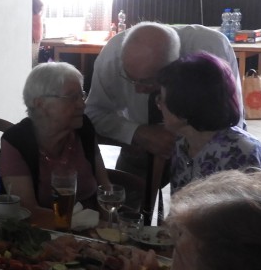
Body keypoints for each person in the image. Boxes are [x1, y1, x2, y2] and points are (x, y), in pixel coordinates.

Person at [84, 21, 242, 171]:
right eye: (130, 78)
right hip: (139, 150)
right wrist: (137, 132)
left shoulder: (212, 50)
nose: (138, 89)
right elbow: (93, 112)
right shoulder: (112, 56)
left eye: (147, 81)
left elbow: (231, 122)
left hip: (207, 152)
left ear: (173, 67)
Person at [0, 62, 111, 214]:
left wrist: (110, 223)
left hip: (94, 224)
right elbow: (28, 211)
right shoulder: (16, 141)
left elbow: (105, 189)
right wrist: (74, 223)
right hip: (43, 227)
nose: (82, 105)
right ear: (40, 104)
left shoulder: (84, 128)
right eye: (72, 97)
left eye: (81, 96)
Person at [156, 51, 261, 192]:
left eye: (161, 99)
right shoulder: (182, 142)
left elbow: (253, 206)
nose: (158, 105)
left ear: (184, 107)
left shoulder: (241, 152)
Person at [31, 0, 44, 66]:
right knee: (33, 63)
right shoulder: (38, 6)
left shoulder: (27, 5)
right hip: (36, 39)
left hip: (31, 39)